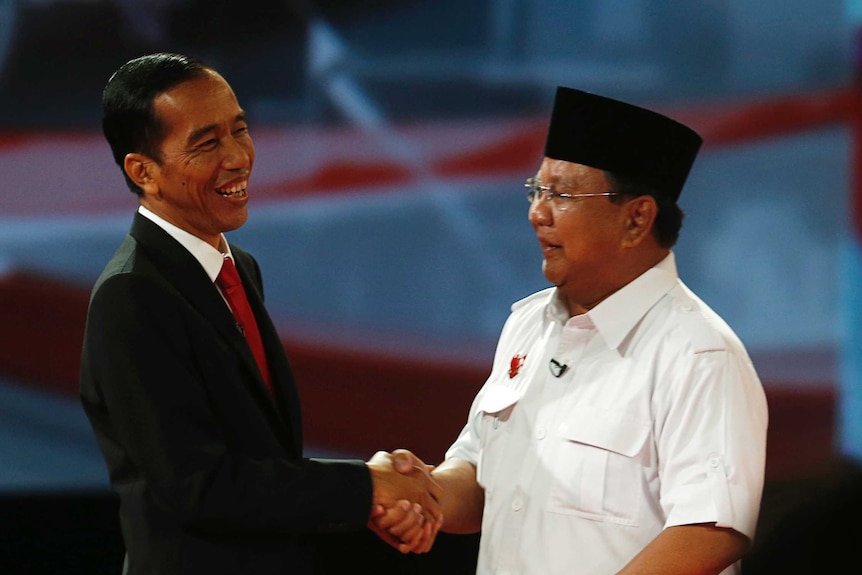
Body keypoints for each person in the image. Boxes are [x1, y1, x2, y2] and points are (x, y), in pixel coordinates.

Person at [382, 86, 769, 574]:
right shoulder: (528, 324)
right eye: (536, 190)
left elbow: (710, 532)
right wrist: (420, 495)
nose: (536, 213)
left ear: (637, 219)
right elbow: (480, 475)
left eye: (561, 194)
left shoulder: (698, 353)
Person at [78, 52, 439, 575]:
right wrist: (365, 486)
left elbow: (262, 462)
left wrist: (366, 497)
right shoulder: (131, 297)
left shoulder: (238, 267)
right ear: (144, 171)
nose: (237, 157)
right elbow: (200, 486)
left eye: (239, 130)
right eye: (207, 143)